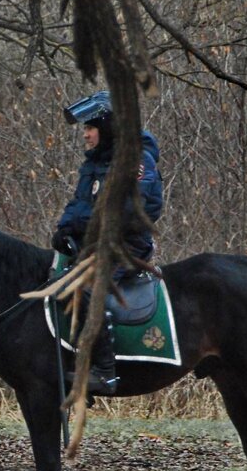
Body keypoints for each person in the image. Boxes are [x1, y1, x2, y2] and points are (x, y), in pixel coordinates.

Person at [50, 90, 164, 395]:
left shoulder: (137, 160)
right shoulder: (95, 163)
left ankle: (104, 371)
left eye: (90, 129)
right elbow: (79, 203)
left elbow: (140, 209)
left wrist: (89, 226)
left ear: (108, 127)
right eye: (85, 129)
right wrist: (64, 229)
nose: (85, 136)